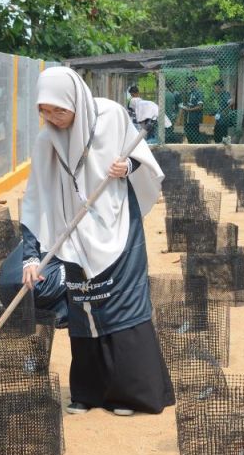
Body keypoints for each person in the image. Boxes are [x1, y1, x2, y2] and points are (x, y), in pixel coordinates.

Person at [21, 67, 175, 416]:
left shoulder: (111, 115)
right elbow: (34, 197)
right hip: (75, 233)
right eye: (44, 111)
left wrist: (127, 168)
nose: (53, 118)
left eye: (59, 110)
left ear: (76, 100)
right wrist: (31, 256)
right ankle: (88, 393)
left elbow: (140, 157)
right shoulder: (47, 139)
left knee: (122, 305)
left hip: (119, 224)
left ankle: (131, 394)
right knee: (84, 306)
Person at [180, 75, 205, 144]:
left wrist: (189, 110)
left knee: (195, 138)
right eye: (189, 82)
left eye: (192, 82)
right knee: (189, 136)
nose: (190, 84)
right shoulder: (189, 92)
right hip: (188, 119)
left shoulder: (199, 93)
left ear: (196, 83)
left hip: (194, 119)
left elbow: (200, 106)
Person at [212, 78, 235, 144]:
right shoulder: (220, 95)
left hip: (223, 121)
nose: (215, 89)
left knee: (220, 140)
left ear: (219, 87)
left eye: (215, 87)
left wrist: (223, 112)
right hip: (219, 121)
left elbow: (231, 102)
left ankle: (222, 151)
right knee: (217, 138)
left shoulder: (225, 94)